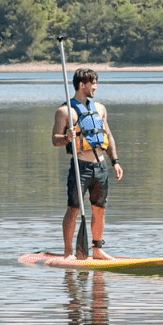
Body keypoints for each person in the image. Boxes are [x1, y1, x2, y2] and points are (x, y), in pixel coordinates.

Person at [52, 68, 123, 260]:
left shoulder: (100, 109)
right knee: (73, 209)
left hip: (100, 168)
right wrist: (66, 136)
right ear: (82, 85)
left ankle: (97, 250)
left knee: (99, 210)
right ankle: (68, 252)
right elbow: (55, 140)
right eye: (93, 83)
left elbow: (108, 136)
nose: (96, 87)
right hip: (80, 168)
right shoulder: (64, 111)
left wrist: (115, 161)